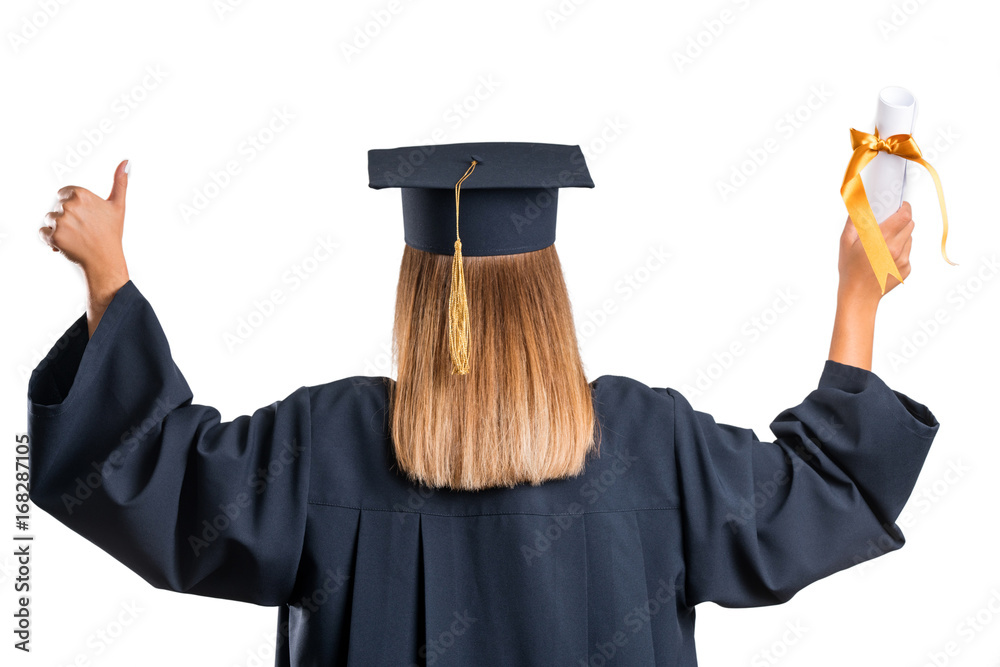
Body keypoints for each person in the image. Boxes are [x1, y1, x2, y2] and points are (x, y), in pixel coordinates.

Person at [30, 144, 939, 666]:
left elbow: (142, 478)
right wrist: (857, 296)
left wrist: (108, 276)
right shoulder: (650, 446)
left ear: (417, 298)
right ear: (550, 295)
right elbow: (829, 492)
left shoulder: (327, 444)